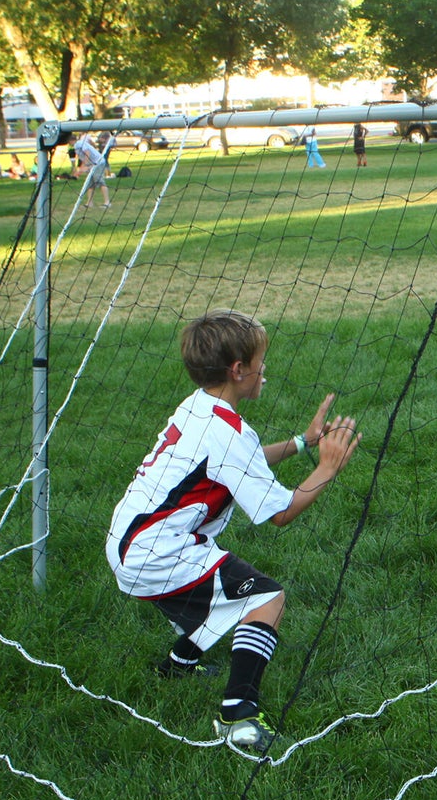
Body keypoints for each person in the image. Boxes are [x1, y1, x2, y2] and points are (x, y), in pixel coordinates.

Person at [106, 309, 361, 751]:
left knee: (214, 583)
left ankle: (178, 665)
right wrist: (327, 467)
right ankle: (238, 717)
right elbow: (281, 512)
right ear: (238, 370)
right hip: (159, 553)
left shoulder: (199, 406)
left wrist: (303, 443)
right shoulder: (227, 431)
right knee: (266, 598)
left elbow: (241, 458)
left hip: (130, 542)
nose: (266, 370)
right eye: (261, 361)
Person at [73, 134, 111, 207]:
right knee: (90, 183)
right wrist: (80, 169)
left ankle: (107, 202)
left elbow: (87, 153)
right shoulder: (76, 146)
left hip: (98, 163)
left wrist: (86, 165)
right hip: (92, 164)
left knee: (99, 181)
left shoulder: (79, 143)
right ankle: (89, 203)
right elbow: (82, 157)